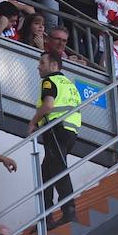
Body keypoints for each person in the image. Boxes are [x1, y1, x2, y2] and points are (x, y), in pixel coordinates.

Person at [31, 52, 82, 223]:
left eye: (42, 62)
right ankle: (46, 216)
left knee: (59, 170)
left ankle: (69, 211)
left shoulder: (49, 80)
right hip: (70, 131)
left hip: (56, 129)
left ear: (54, 65)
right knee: (47, 171)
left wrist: (32, 123)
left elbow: (48, 105)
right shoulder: (69, 83)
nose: (38, 66)